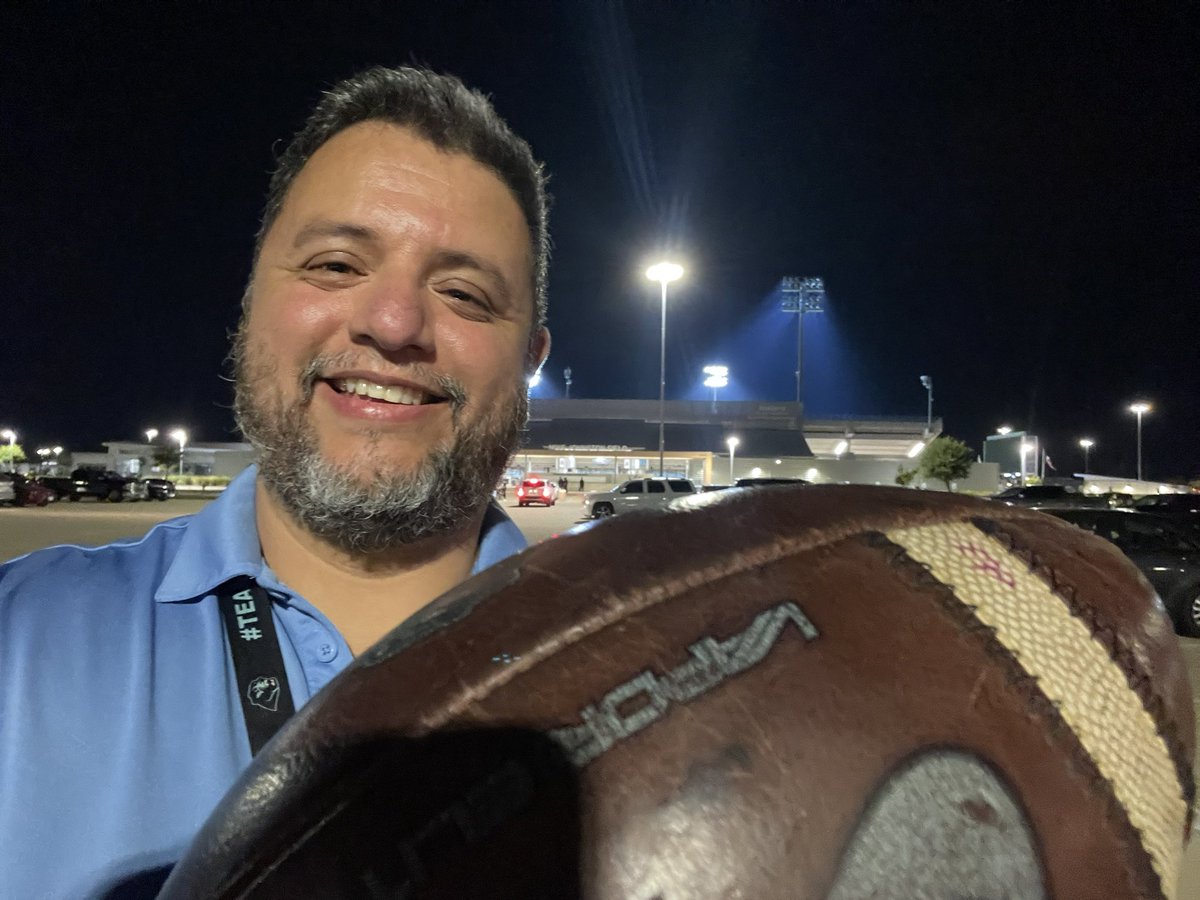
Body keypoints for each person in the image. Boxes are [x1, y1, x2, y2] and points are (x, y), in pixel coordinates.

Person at [0, 65, 551, 899]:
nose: (394, 324)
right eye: (335, 265)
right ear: (253, 299)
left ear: (530, 361)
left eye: (465, 293)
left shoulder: (662, 669)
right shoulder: (21, 643)